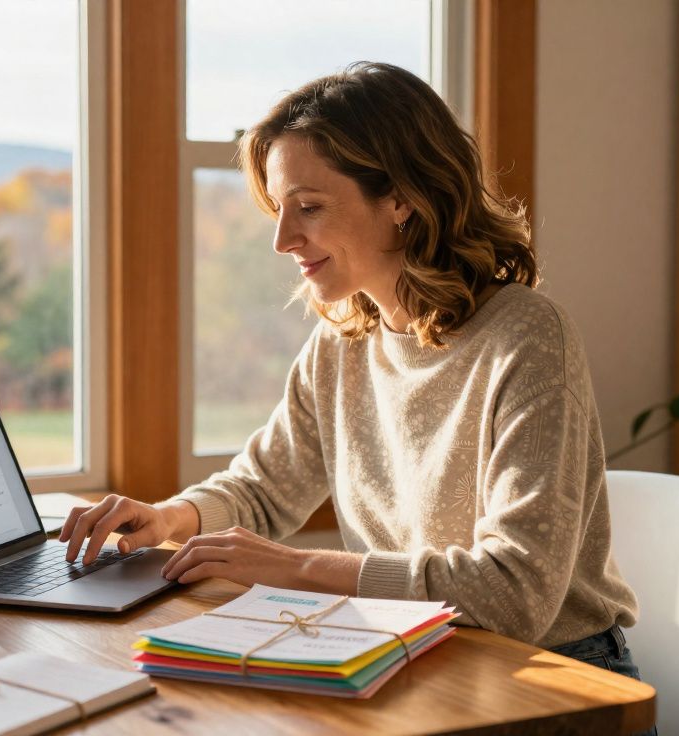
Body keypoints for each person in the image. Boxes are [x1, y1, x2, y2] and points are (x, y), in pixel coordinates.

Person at [61, 61, 646, 689]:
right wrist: (169, 520)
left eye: (309, 207)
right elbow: (264, 489)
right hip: (413, 652)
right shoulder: (342, 342)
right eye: (279, 210)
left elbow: (514, 594)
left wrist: (299, 568)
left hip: (555, 676)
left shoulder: (528, 338)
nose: (283, 239)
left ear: (401, 199)